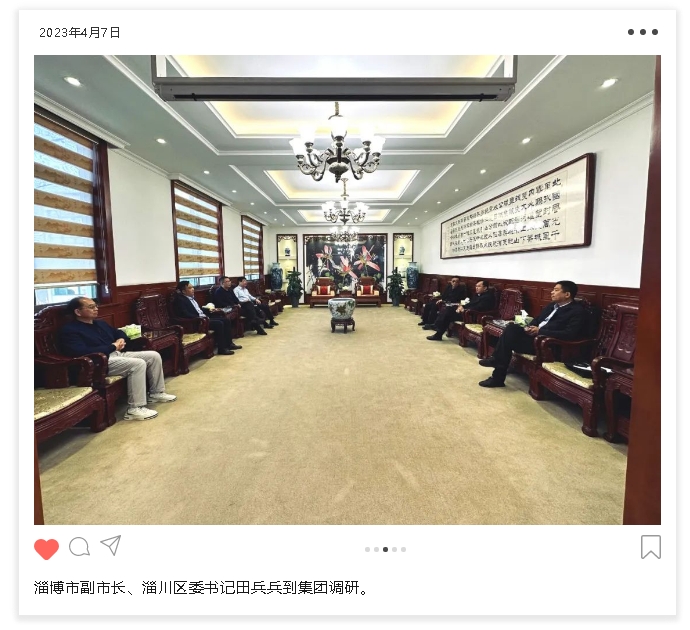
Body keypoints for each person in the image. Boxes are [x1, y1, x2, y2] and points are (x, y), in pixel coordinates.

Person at [59, 297, 177, 421]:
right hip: (99, 362)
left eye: (96, 306)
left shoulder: (100, 323)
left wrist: (121, 339)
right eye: (91, 307)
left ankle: (157, 393)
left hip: (116, 355)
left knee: (153, 356)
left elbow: (119, 333)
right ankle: (135, 409)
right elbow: (80, 352)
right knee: (138, 364)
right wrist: (112, 346)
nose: (96, 309)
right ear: (78, 312)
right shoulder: (69, 330)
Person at [478, 281, 586, 388]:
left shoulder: (577, 311)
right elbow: (537, 319)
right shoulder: (552, 305)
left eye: (556, 290)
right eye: (553, 289)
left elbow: (569, 334)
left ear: (567, 294)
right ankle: (497, 369)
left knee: (506, 342)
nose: (552, 292)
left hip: (547, 345)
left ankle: (497, 372)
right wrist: (529, 327)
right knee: (511, 328)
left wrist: (540, 331)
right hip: (533, 338)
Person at [172, 281, 242, 354]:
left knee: (226, 320)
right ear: (183, 291)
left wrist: (210, 310)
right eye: (190, 288)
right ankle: (222, 349)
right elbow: (185, 314)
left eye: (192, 287)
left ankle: (229, 344)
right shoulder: (180, 300)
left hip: (204, 318)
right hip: (197, 322)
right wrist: (199, 318)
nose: (193, 289)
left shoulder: (191, 298)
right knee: (219, 323)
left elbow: (198, 310)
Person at [426, 280, 496, 341]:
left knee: (448, 313)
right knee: (448, 309)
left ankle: (437, 330)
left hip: (472, 316)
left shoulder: (488, 297)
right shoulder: (477, 295)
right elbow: (470, 303)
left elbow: (480, 308)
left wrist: (464, 309)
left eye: (479, 286)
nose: (476, 288)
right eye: (476, 286)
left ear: (485, 288)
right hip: (466, 312)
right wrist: (461, 306)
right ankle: (437, 329)